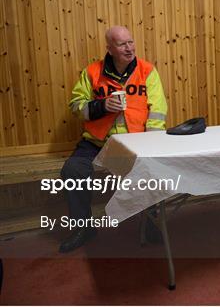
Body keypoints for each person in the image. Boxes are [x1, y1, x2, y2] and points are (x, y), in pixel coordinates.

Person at [58, 26, 167, 253]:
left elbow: (157, 110)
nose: (129, 48)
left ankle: (150, 223)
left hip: (136, 143)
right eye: (122, 44)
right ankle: (84, 228)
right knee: (73, 170)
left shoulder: (147, 71)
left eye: (130, 42)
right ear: (109, 48)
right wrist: (101, 105)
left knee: (153, 168)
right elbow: (76, 106)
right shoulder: (92, 73)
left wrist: (151, 143)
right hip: (96, 143)